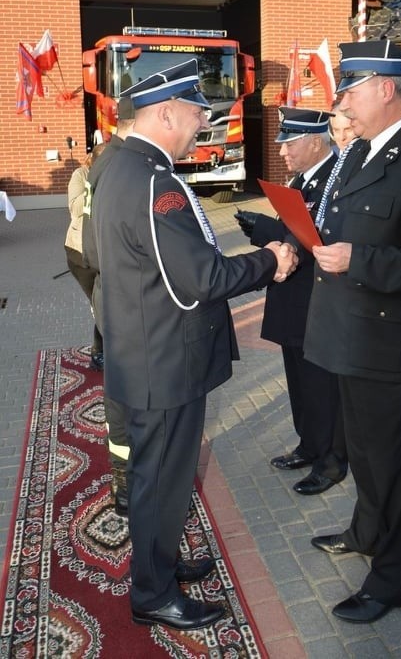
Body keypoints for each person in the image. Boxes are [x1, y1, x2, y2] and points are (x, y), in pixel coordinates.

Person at [93, 59, 297, 631]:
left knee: (157, 475)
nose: (202, 123)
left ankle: (160, 564)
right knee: (163, 479)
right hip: (165, 360)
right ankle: (152, 592)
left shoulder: (118, 168)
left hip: (142, 350)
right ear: (164, 114)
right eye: (195, 113)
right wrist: (270, 261)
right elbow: (203, 278)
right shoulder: (157, 183)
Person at [304, 39, 401, 624]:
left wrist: (358, 261)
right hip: (351, 335)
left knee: (394, 465)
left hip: (391, 344)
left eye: (351, 86)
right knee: (366, 456)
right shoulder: (361, 153)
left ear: (386, 89)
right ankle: (365, 531)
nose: (342, 97)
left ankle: (395, 579)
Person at [234, 108, 348, 495]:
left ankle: (331, 462)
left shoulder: (338, 178)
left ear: (315, 141)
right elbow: (296, 229)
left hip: (319, 301)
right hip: (295, 297)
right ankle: (309, 444)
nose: (282, 151)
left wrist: (265, 229)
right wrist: (263, 229)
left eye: (289, 143)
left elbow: (321, 236)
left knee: (323, 385)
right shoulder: (305, 178)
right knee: (300, 380)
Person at [82, 96, 136, 517]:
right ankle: (130, 486)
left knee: (119, 398)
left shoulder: (103, 167)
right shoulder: (125, 170)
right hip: (123, 302)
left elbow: (92, 253)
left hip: (108, 294)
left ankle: (124, 483)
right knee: (128, 404)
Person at [64, 143, 106, 369]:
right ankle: (98, 352)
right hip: (80, 253)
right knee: (99, 302)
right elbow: (75, 208)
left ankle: (112, 346)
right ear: (94, 161)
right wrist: (93, 183)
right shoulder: (80, 175)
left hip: (103, 250)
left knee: (108, 301)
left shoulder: (115, 175)